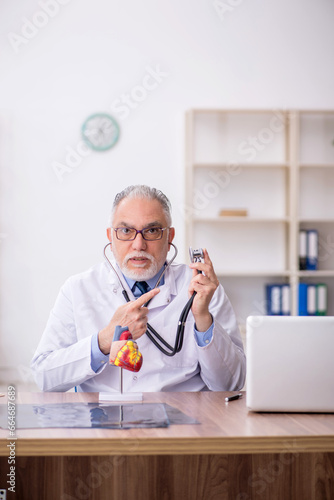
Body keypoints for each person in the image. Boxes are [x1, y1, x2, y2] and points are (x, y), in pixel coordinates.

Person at [31, 185, 246, 392]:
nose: (138, 245)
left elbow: (230, 384)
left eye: (152, 231)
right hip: (103, 421)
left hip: (180, 421)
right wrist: (104, 340)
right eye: (126, 231)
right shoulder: (78, 289)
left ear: (169, 237)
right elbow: (44, 377)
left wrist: (202, 318)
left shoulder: (202, 290)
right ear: (111, 236)